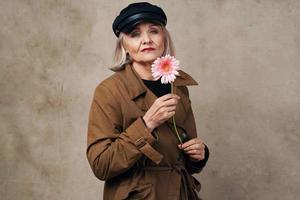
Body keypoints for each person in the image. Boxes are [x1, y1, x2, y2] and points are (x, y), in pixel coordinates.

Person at [86, 2, 209, 200]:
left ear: (164, 38)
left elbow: (181, 155)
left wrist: (199, 154)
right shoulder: (108, 91)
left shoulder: (178, 86)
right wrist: (146, 124)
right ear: (123, 45)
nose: (146, 40)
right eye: (135, 34)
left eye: (154, 31)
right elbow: (102, 165)